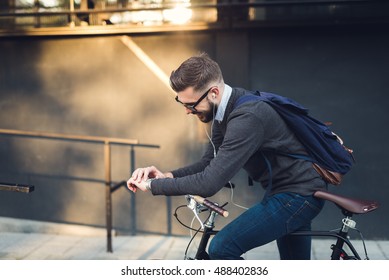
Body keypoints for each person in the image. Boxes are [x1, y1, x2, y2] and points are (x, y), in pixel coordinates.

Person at [127, 53, 327, 260]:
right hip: (287, 191)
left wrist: (152, 186)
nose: (187, 111)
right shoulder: (225, 112)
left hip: (298, 196)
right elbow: (208, 163)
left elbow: (209, 183)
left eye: (191, 105)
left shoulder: (247, 117)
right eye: (181, 103)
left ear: (213, 92)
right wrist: (165, 176)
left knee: (222, 248)